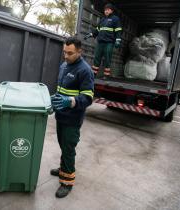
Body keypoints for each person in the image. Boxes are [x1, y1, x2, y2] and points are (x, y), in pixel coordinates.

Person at [50, 36, 94, 198]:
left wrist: (71, 101)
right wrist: (55, 101)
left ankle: (67, 181)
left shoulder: (85, 70)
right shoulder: (64, 66)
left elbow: (88, 97)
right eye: (64, 52)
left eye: (70, 53)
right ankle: (63, 169)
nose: (66, 56)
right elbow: (61, 90)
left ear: (79, 52)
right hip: (61, 115)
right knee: (63, 145)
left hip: (73, 119)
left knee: (68, 149)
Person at [84, 3, 122, 77]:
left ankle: (106, 75)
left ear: (112, 10)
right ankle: (93, 74)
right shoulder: (102, 20)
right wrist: (90, 35)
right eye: (105, 10)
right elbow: (97, 31)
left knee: (107, 58)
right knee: (97, 58)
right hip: (100, 42)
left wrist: (118, 41)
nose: (106, 11)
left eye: (108, 10)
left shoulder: (115, 19)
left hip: (109, 42)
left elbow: (118, 31)